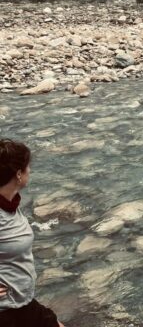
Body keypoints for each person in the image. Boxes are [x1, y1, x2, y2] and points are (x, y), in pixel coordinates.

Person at [0, 139, 65, 327]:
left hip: (21, 304)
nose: (31, 171)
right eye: (28, 167)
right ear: (19, 174)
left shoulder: (10, 203)